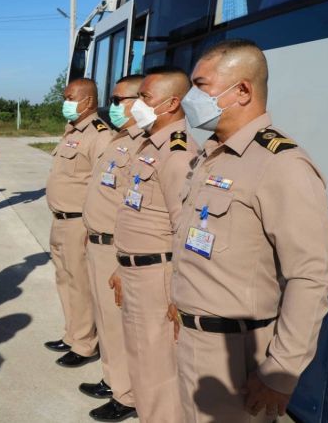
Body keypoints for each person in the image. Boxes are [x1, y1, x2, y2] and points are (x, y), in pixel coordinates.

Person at [171, 39, 328, 422]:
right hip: (193, 340)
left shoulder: (281, 164)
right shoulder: (211, 154)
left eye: (201, 86)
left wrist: (281, 372)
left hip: (238, 354)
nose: (190, 97)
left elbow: (311, 276)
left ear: (242, 90)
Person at [111, 66, 197, 422]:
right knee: (142, 365)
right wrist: (120, 266)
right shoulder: (149, 145)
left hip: (157, 276)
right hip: (135, 271)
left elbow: (184, 228)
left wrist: (180, 292)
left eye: (144, 98)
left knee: (158, 372)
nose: (135, 106)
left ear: (171, 103)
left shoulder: (177, 153)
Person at [79, 74, 144, 421]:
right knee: (106, 320)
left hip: (116, 247)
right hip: (98, 242)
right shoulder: (120, 140)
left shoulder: (143, 146)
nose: (113, 107)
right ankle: (112, 379)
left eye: (120, 100)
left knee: (120, 324)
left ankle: (127, 394)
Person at [44, 78, 112, 367]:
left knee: (81, 286)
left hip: (78, 224)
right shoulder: (72, 131)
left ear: (88, 101)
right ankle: (72, 334)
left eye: (70, 97)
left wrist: (93, 226)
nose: (65, 102)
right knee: (66, 280)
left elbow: (104, 187)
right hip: (59, 221)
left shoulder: (100, 135)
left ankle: (84, 344)